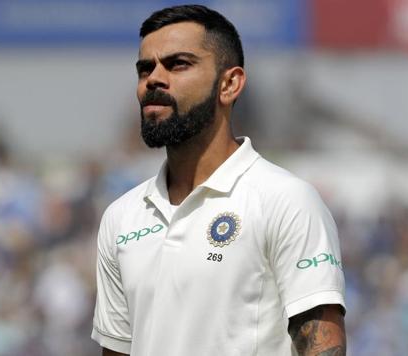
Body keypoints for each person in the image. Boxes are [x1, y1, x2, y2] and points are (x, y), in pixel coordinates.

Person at [91, 5, 346, 356]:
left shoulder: (285, 200)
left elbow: (324, 347)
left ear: (229, 84)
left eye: (178, 64)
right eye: (145, 68)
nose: (154, 78)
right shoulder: (122, 217)